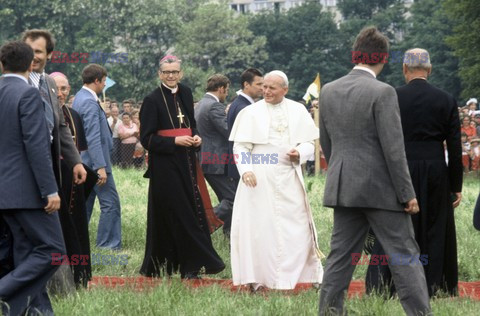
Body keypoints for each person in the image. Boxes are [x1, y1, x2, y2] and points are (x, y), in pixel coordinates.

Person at [318, 27, 431, 315]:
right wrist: (407, 194)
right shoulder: (383, 92)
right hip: (382, 190)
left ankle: (329, 312)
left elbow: (328, 145)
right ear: (382, 58)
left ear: (356, 54)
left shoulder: (329, 90)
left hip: (344, 187)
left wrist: (343, 173)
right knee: (404, 256)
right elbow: (394, 150)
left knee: (340, 258)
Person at [365, 48, 463, 298]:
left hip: (399, 167)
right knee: (435, 226)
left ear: (404, 69)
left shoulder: (392, 96)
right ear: (429, 70)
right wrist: (456, 186)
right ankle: (435, 284)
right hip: (435, 168)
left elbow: (379, 139)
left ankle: (389, 284)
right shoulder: (446, 99)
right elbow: (454, 146)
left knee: (396, 226)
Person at [229, 70, 323, 291]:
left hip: (289, 175)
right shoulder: (250, 112)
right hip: (259, 178)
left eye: (272, 88)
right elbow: (241, 146)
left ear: (285, 90)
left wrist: (299, 152)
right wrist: (246, 170)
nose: (266, 91)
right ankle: (260, 279)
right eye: (264, 87)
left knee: (297, 225)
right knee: (261, 228)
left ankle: (300, 276)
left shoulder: (298, 110)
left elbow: (310, 143)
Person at [139, 55, 224, 279]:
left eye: (175, 72)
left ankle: (192, 267)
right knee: (176, 214)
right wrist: (174, 141)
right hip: (165, 168)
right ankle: (168, 266)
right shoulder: (152, 99)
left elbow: (191, 125)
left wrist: (196, 138)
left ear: (181, 73)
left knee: (192, 211)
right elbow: (146, 139)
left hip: (187, 163)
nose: (171, 76)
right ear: (160, 74)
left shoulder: (185, 92)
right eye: (167, 72)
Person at [0, 40, 65, 316]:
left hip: (5, 192)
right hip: (26, 191)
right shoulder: (28, 95)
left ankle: (28, 311)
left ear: (1, 64)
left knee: (24, 252)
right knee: (53, 250)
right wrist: (50, 190)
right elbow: (37, 146)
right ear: (30, 65)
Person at [50, 72, 93, 288]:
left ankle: (80, 275)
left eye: (64, 89)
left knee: (77, 228)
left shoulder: (74, 115)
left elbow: (78, 150)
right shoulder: (44, 111)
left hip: (74, 182)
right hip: (53, 179)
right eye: (56, 88)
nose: (60, 93)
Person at [73, 64, 122, 250]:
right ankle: (108, 246)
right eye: (103, 81)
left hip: (85, 162)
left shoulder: (80, 97)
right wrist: (100, 167)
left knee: (84, 206)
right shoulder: (88, 101)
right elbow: (93, 136)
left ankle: (77, 243)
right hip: (95, 164)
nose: (104, 85)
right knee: (111, 205)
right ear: (96, 80)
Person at [195, 74, 236, 236]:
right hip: (216, 161)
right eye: (226, 91)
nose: (226, 94)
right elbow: (228, 131)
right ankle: (201, 228)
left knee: (226, 198)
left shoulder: (200, 104)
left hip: (206, 160)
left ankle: (229, 234)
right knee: (232, 199)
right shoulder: (214, 106)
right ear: (220, 88)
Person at [226, 68, 264, 181]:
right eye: (258, 84)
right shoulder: (244, 108)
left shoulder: (238, 103)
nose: (262, 88)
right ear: (246, 84)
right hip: (244, 167)